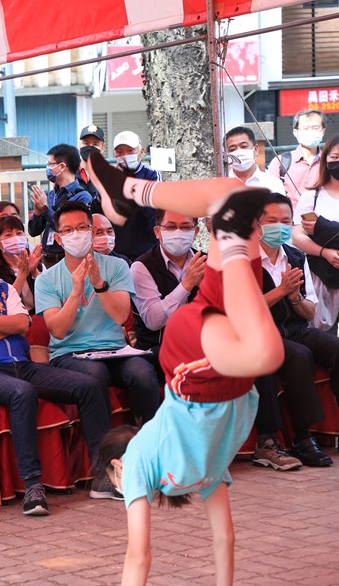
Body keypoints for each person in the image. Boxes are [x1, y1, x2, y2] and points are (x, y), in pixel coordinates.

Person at [87, 153, 284, 585]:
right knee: (235, 198)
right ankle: (128, 191)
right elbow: (224, 538)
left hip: (193, 372)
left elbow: (139, 558)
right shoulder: (205, 471)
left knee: (268, 354)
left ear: (118, 468)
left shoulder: (137, 464)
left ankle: (129, 192)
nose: (122, 488)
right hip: (217, 371)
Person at [0, 217, 111, 515]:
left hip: (20, 365)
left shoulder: (3, 287)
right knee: (22, 392)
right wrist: (3, 327)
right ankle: (33, 485)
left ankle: (104, 475)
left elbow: (24, 324)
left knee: (88, 385)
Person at [35, 202, 161, 433]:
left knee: (142, 372)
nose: (77, 234)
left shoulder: (116, 266)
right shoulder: (47, 279)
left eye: (83, 228)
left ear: (91, 232)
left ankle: (150, 446)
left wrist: (99, 285)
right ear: (59, 239)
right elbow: (58, 331)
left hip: (115, 351)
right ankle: (104, 458)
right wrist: (75, 291)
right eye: (68, 230)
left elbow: (121, 315)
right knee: (96, 373)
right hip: (70, 353)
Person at [253, 193, 332, 469]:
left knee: (335, 347)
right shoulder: (244, 260)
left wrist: (295, 296)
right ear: (257, 224)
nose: (279, 226)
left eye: (285, 221)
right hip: (259, 333)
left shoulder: (296, 257)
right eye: (271, 220)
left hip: (295, 328)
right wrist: (280, 291)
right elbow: (242, 310)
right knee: (299, 355)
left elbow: (311, 311)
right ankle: (302, 437)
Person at [131, 211, 205, 357]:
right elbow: (153, 321)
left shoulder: (205, 261)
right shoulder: (141, 267)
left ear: (196, 231)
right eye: (170, 227)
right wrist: (186, 285)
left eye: (185, 227)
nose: (178, 233)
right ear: (157, 232)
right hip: (156, 348)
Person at [290, 135, 339, 330]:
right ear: (325, 160)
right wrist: (324, 252)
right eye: (334, 157)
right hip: (320, 275)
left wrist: (322, 228)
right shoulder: (312, 196)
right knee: (324, 335)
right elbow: (296, 235)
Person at [28, 144, 92, 266]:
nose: (47, 168)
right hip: (47, 259)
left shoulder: (82, 197)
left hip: (68, 259)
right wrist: (37, 211)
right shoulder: (51, 195)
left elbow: (68, 228)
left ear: (62, 166)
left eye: (50, 164)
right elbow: (33, 231)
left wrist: (46, 209)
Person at [110, 131, 161, 261]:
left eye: (130, 150)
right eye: (119, 152)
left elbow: (152, 207)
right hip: (117, 251)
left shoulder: (151, 175)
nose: (125, 155)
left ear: (141, 151)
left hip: (147, 249)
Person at [267, 109, 325, 206]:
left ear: (323, 131)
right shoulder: (280, 162)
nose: (310, 131)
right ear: (295, 132)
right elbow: (271, 196)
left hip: (325, 220)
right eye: (305, 128)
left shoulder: (330, 162)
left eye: (315, 128)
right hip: (290, 219)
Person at [0, 215, 43, 313]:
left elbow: (47, 296)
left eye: (19, 233)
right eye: (8, 235)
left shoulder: (35, 261)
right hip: (13, 321)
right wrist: (22, 274)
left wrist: (34, 271)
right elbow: (5, 304)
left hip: (38, 318)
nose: (16, 238)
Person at [224, 126, 285, 194]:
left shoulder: (273, 184)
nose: (239, 152)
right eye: (232, 149)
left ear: (256, 150)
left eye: (244, 146)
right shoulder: (221, 185)